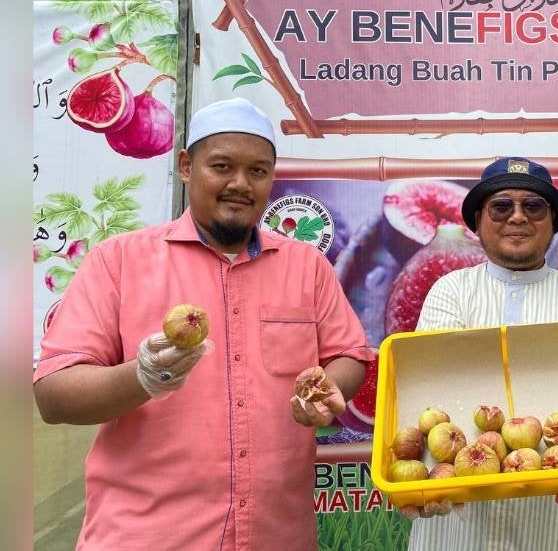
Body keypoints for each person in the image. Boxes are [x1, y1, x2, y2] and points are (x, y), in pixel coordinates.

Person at [33, 97, 372, 550]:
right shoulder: (117, 262)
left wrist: (328, 387)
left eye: (257, 171)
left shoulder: (307, 266)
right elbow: (54, 397)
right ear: (186, 166)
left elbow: (348, 354)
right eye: (222, 166)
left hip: (277, 536)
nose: (240, 184)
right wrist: (142, 376)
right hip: (147, 538)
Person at [404, 157, 558, 551]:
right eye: (501, 206)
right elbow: (433, 401)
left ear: (552, 219)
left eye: (533, 207)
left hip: (557, 528)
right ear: (479, 220)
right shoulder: (450, 292)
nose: (517, 217)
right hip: (456, 527)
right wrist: (428, 481)